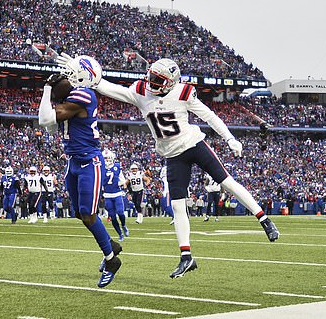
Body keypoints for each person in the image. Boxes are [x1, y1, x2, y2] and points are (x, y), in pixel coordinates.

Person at [64, 55, 280, 278]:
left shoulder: (183, 92)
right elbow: (109, 88)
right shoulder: (141, 91)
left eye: (158, 79)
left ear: (171, 82)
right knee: (178, 207)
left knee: (227, 182)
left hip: (194, 145)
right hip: (173, 155)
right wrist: (88, 73)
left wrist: (230, 139)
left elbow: (209, 116)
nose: (152, 82)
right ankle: (187, 257)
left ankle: (264, 219)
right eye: (152, 77)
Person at [38, 56, 122, 288]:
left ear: (80, 78)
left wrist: (46, 87)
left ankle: (111, 259)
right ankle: (110, 244)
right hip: (74, 162)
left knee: (88, 213)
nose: (63, 77)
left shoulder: (84, 95)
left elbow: (45, 119)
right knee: (79, 213)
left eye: (68, 73)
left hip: (89, 162)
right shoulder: (75, 93)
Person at [101, 149, 129, 241]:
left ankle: (124, 225)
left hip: (116, 193)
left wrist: (119, 184)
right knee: (112, 217)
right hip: (107, 195)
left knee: (121, 212)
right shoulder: (101, 168)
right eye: (105, 158)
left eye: (108, 158)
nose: (107, 160)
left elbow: (123, 180)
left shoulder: (117, 167)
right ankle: (120, 234)